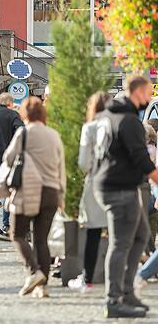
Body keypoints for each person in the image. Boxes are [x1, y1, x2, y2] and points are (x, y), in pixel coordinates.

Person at [92, 75, 157, 318]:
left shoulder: (109, 115)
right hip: (118, 187)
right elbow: (142, 161)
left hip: (114, 184)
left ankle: (127, 292)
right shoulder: (128, 120)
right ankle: (114, 300)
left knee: (141, 235)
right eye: (148, 93)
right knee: (120, 244)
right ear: (138, 92)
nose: (149, 98)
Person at [2, 97, 66, 298]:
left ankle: (33, 271)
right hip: (50, 192)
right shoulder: (54, 135)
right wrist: (61, 196)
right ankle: (42, 286)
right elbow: (60, 166)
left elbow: (8, 158)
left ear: (25, 114)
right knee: (41, 240)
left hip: (28, 190)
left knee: (17, 234)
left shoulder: (24, 133)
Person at [0, 93, 23, 240]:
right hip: (8, 158)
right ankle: (6, 224)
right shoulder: (12, 114)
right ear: (9, 103)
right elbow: (21, 130)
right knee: (8, 191)